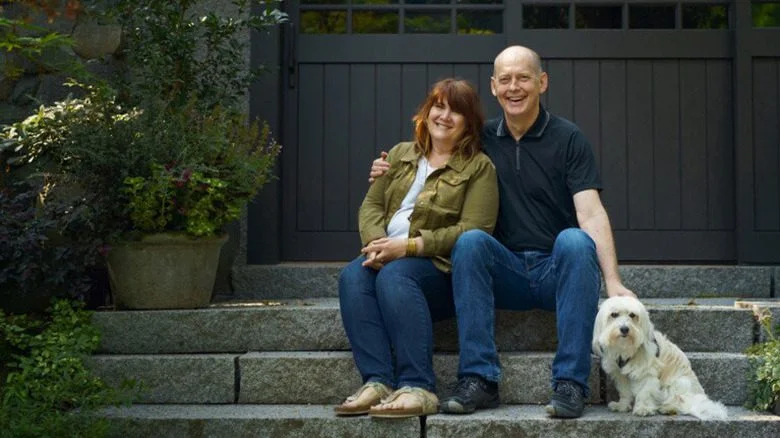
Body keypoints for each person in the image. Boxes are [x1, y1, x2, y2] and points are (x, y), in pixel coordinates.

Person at [369, 46, 636, 418]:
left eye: (523, 78)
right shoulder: (480, 139)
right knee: (473, 240)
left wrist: (613, 282)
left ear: (541, 82)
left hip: (555, 270)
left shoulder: (568, 138)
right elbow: (430, 154)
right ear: (494, 87)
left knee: (575, 239)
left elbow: (590, 212)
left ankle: (571, 383)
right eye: (505, 79)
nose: (514, 87)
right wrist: (389, 170)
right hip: (502, 268)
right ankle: (479, 379)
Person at [335, 78, 499, 419]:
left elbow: (474, 229)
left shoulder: (478, 167)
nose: (445, 116)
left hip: (437, 268)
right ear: (426, 112)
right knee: (352, 276)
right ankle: (378, 381)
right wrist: (375, 244)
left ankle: (418, 385)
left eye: (456, 111)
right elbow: (371, 207)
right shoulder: (398, 155)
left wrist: (407, 247)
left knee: (397, 275)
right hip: (386, 254)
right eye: (439, 106)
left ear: (469, 123)